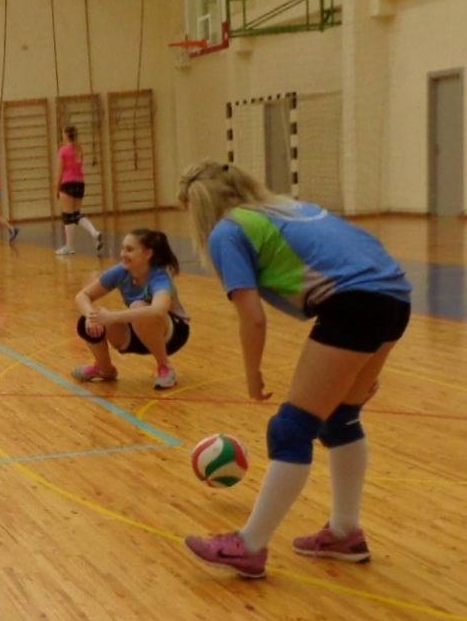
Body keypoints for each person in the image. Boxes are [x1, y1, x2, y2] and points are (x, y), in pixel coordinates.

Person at [176, 159, 413, 579]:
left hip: (355, 303)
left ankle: (249, 546)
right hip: (394, 296)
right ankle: (344, 533)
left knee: (291, 428)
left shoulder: (227, 231)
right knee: (341, 418)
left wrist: (253, 374)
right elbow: (365, 251)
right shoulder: (290, 208)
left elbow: (252, 318)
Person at [70, 229, 189, 390]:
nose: (123, 254)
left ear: (147, 253)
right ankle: (104, 369)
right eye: (123, 248)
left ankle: (165, 367)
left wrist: (112, 317)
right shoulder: (121, 271)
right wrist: (91, 317)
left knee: (137, 307)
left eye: (129, 249)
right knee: (88, 319)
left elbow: (158, 310)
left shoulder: (159, 276)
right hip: (138, 330)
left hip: (173, 334)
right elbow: (82, 296)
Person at [54, 125, 104, 257]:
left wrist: (56, 187)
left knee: (67, 216)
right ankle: (94, 233)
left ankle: (69, 246)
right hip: (80, 183)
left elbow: (60, 171)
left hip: (67, 183)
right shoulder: (79, 149)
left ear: (66, 135)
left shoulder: (63, 151)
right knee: (76, 215)